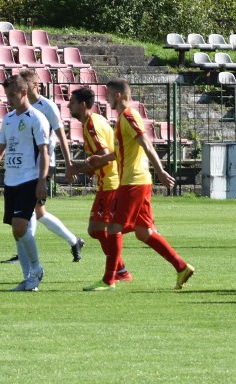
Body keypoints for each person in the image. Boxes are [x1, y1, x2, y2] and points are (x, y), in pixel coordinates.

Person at [82, 78, 194, 291]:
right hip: (135, 181)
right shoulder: (123, 118)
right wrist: (102, 160)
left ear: (118, 96)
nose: (105, 99)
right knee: (144, 232)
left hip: (133, 182)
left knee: (113, 228)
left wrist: (160, 170)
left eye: (108, 95)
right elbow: (124, 150)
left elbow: (146, 143)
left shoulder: (129, 115)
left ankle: (109, 280)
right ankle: (181, 267)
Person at [0, 70, 84, 264]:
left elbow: (61, 135)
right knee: (38, 212)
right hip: (26, 168)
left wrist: (69, 162)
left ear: (33, 86)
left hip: (44, 164)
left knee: (31, 210)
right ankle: (73, 241)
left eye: (25, 84)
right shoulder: (17, 111)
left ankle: (25, 255)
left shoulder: (47, 106)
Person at [0, 75, 50, 291]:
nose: (8, 99)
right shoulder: (8, 119)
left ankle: (36, 269)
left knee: (20, 226)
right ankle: (29, 279)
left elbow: (44, 152)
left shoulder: (36, 118)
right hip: (11, 181)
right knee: (17, 231)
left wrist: (42, 180)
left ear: (24, 93)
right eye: (6, 95)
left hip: (29, 179)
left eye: (12, 94)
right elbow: (0, 149)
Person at [67, 86, 132, 283]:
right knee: (97, 229)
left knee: (98, 229)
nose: (69, 105)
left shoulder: (92, 125)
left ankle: (120, 270)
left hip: (110, 182)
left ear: (83, 105)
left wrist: (76, 168)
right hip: (108, 181)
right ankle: (120, 269)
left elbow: (104, 157)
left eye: (72, 102)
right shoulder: (94, 120)